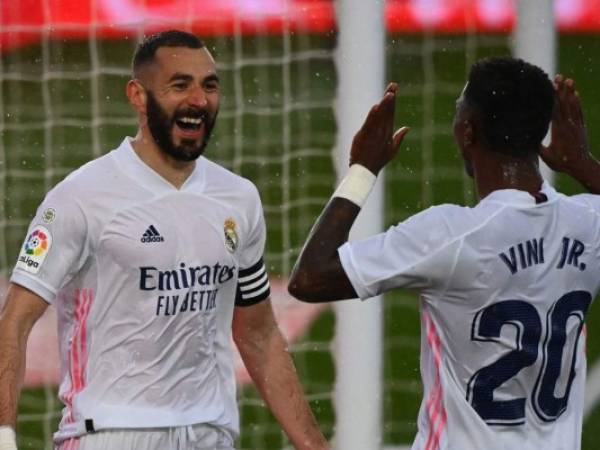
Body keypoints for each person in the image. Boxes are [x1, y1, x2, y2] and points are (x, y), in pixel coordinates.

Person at [0, 30, 329, 450]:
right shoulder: (80, 197)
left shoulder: (238, 199)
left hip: (210, 435)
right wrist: (4, 436)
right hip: (110, 435)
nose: (198, 99)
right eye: (180, 85)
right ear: (137, 96)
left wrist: (316, 445)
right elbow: (14, 321)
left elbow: (259, 335)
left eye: (209, 85)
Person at [288, 56, 600, 449]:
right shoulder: (588, 223)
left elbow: (309, 277)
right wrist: (584, 165)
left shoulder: (450, 237)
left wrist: (362, 169)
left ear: (467, 131)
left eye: (458, 111)